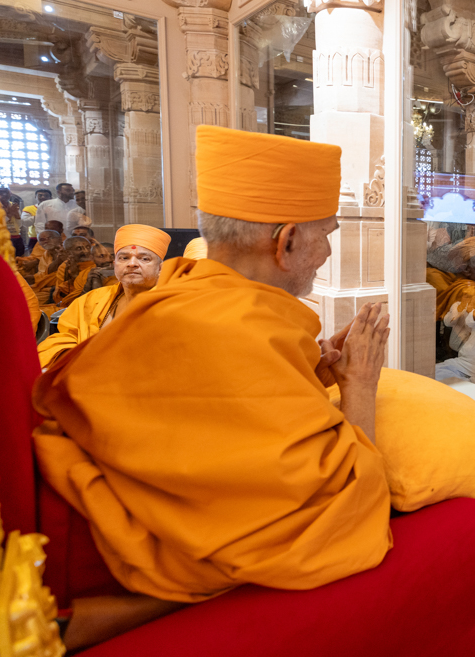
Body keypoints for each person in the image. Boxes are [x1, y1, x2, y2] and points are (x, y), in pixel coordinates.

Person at [31, 127, 395, 645]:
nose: (328, 253)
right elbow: (349, 514)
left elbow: (216, 412)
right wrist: (359, 385)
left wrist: (310, 375)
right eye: (327, 234)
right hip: (84, 558)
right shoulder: (238, 328)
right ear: (287, 241)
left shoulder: (179, 291)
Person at [37, 225, 171, 369]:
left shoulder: (173, 305)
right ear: (115, 265)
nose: (132, 264)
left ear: (160, 269)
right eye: (124, 258)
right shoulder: (91, 300)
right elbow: (61, 339)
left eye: (144, 259)